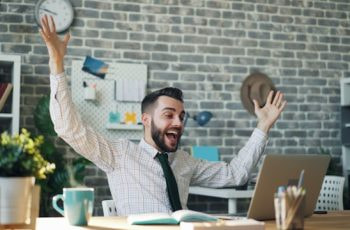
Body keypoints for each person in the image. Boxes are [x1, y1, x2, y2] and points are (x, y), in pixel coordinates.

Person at [40, 15, 287, 215]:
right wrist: (56, 64)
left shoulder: (185, 161)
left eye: (181, 116)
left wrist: (263, 126)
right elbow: (68, 129)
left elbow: (235, 174)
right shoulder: (119, 154)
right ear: (145, 120)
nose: (178, 123)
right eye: (169, 115)